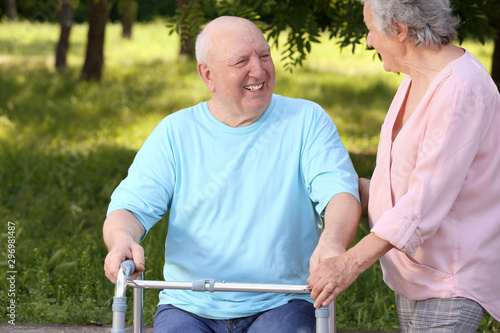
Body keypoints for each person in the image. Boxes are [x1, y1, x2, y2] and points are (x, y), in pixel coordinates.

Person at [103, 16, 361, 332]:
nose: (259, 70)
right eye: (242, 61)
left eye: (264, 56)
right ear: (207, 74)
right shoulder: (176, 131)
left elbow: (340, 193)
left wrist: (333, 242)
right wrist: (121, 239)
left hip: (282, 302)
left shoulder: (307, 120)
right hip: (189, 304)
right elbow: (130, 207)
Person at [308, 0, 500, 331]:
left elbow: (422, 203)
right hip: (413, 274)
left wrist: (350, 262)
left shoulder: (460, 89)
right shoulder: (417, 75)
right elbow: (406, 172)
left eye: (370, 29)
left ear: (400, 30)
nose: (368, 40)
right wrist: (351, 191)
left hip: (448, 279)